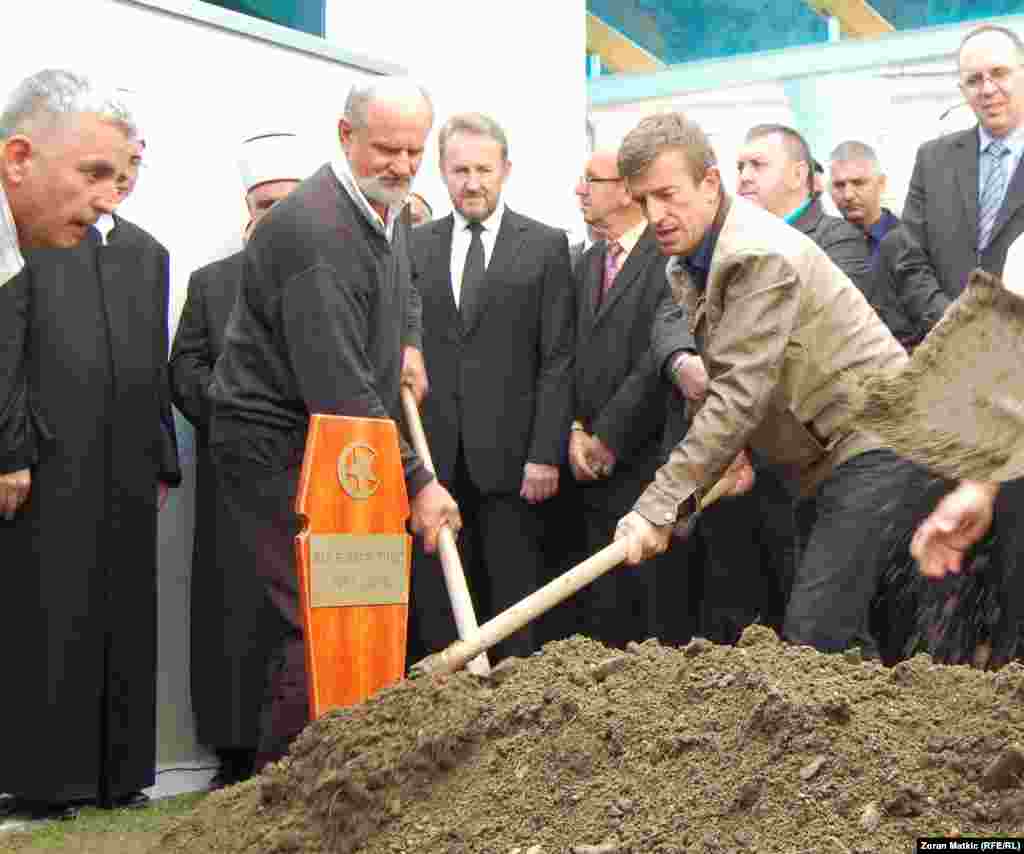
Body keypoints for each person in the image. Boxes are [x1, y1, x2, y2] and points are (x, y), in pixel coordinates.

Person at [206, 78, 457, 767]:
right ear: (346, 138)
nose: (403, 166)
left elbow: (400, 284)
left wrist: (406, 339)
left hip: (343, 436)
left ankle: (343, 777)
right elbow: (338, 382)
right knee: (313, 612)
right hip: (278, 438)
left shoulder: (382, 210)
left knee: (355, 603)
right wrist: (420, 481)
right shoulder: (314, 231)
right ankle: (281, 798)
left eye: (414, 150)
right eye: (386, 150)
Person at [612, 112, 919, 661]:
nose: (655, 215)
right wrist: (728, 460)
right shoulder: (689, 263)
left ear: (710, 184)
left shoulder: (757, 253)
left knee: (813, 637)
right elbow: (739, 377)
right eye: (642, 202)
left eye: (667, 194)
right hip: (820, 458)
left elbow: (738, 396)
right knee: (840, 638)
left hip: (874, 443)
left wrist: (659, 506)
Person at [0, 70, 180, 816]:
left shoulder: (146, 252)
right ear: (21, 160)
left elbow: (152, 362)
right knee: (52, 620)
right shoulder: (32, 245)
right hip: (54, 461)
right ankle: (50, 778)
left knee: (124, 620)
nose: (113, 192)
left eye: (126, 170)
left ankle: (118, 771)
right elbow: (8, 351)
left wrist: (163, 457)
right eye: (96, 172)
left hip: (124, 467)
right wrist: (12, 448)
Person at [408, 112, 574, 663]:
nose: (472, 182)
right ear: (441, 172)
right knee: (439, 611)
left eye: (483, 169)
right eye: (459, 170)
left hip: (514, 466)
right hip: (436, 468)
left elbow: (557, 358)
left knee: (514, 608)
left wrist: (545, 454)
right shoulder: (412, 247)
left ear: (506, 170)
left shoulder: (546, 246)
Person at [169, 132, 307, 790]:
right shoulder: (210, 283)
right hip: (230, 482)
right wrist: (233, 416)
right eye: (264, 202)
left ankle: (289, 749)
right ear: (246, 209)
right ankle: (229, 753)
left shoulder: (319, 281)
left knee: (295, 618)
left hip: (305, 482)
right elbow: (186, 367)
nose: (274, 213)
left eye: (287, 201)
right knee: (231, 616)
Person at [569, 150, 684, 647]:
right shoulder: (587, 260)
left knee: (646, 604)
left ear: (625, 189)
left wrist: (609, 437)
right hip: (584, 463)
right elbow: (565, 351)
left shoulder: (670, 259)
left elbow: (654, 361)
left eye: (589, 180)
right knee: (598, 606)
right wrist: (574, 428)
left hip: (643, 457)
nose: (579, 190)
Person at [904, 24, 1024, 298]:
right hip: (948, 332)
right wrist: (952, 323)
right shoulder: (932, 160)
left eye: (999, 73)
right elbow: (910, 261)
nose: (987, 89)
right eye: (974, 80)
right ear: (962, 89)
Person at [829, 140, 950, 350]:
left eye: (858, 183)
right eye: (839, 185)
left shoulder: (912, 239)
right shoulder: (825, 245)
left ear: (882, 183)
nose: (848, 195)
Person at [736, 123, 875, 301]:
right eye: (740, 167)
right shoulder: (735, 241)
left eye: (757, 165)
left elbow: (831, 320)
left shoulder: (839, 240)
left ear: (798, 175)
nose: (744, 177)